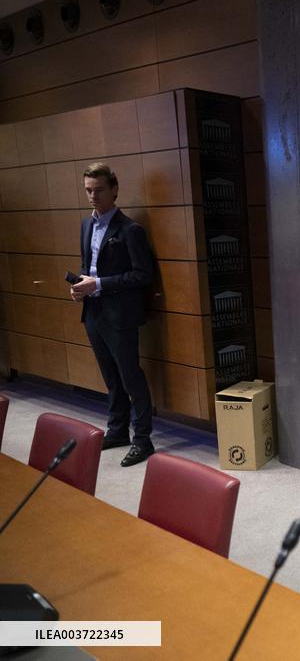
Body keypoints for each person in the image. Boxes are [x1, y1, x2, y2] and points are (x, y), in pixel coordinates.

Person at [70, 163, 156, 467]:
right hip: (92, 310)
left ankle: (143, 440)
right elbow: (88, 265)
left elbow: (143, 274)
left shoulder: (131, 229)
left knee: (131, 376)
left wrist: (101, 284)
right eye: (88, 190)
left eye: (99, 189)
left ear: (115, 189)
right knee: (111, 378)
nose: (93, 196)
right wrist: (82, 285)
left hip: (120, 314)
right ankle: (118, 430)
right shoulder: (86, 225)